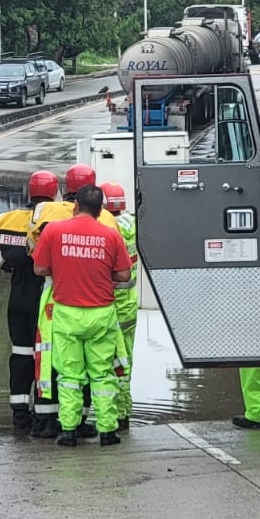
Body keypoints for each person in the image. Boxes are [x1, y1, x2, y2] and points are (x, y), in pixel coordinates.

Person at [32, 184, 132, 447]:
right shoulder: (110, 235)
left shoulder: (53, 230)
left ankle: (68, 431)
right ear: (100, 210)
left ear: (75, 206)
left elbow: (39, 268)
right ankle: (108, 431)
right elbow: (124, 275)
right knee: (102, 375)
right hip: (101, 314)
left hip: (67, 313)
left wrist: (65, 269)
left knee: (69, 377)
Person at [0, 171, 59, 435]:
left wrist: (5, 266)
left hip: (18, 297)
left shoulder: (8, 218)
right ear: (55, 194)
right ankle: (46, 416)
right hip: (45, 297)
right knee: (46, 357)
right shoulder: (57, 220)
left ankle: (20, 417)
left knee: (20, 356)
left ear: (30, 193)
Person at [101, 182, 140, 431]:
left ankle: (111, 414)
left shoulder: (106, 228)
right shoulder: (134, 225)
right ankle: (124, 412)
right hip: (130, 305)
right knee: (126, 361)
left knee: (105, 362)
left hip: (110, 304)